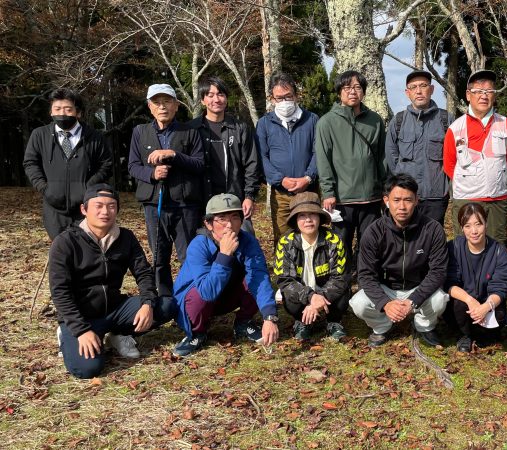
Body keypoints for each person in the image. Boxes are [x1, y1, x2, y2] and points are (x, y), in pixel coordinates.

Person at [49, 184, 176, 379]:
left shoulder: (125, 237)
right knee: (87, 369)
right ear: (84, 209)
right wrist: (81, 330)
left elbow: (143, 273)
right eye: (98, 206)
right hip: (82, 317)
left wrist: (147, 303)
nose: (105, 212)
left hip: (114, 309)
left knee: (167, 305)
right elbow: (60, 291)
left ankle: (118, 336)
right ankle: (67, 336)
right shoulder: (66, 242)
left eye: (111, 206)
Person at [172, 194, 278, 356]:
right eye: (221, 219)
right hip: (196, 301)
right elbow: (207, 292)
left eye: (235, 217)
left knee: (253, 280)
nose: (229, 225)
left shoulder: (248, 241)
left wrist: (269, 317)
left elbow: (259, 277)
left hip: (226, 294)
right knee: (198, 296)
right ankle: (197, 333)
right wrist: (224, 255)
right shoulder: (198, 245)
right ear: (208, 224)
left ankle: (243, 322)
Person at [350, 174, 449, 347]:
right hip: (387, 288)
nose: (402, 206)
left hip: (419, 287)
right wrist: (385, 303)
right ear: (386, 200)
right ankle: (382, 326)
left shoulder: (432, 229)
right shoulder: (373, 232)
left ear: (417, 200)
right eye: (396, 200)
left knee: (440, 299)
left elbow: (438, 272)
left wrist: (413, 301)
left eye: (408, 200)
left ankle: (424, 325)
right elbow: (365, 275)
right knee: (358, 303)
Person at [128, 84, 204, 297]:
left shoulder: (190, 131)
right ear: (149, 106)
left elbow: (199, 164)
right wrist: (152, 174)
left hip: (185, 204)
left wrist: (174, 155)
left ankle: (189, 296)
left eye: (167, 101)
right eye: (157, 102)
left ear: (176, 106)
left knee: (188, 255)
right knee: (159, 254)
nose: (162, 107)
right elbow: (133, 166)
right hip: (154, 203)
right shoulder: (140, 132)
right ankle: (164, 299)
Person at [23, 89, 113, 239]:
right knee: (60, 251)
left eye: (68, 109)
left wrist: (88, 188)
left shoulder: (94, 136)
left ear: (78, 112)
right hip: (53, 207)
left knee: (86, 250)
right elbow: (30, 163)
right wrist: (44, 188)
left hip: (85, 207)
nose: (62, 113)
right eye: (57, 109)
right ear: (51, 112)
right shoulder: (39, 135)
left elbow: (106, 164)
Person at [316, 70, 386, 258]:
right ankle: (341, 284)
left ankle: (367, 282)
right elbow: (323, 160)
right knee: (340, 244)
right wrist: (328, 192)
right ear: (339, 92)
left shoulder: (375, 120)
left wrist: (386, 189)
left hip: (371, 197)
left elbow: (382, 158)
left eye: (357, 87)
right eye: (347, 87)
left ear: (363, 91)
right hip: (342, 198)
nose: (352, 92)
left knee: (370, 243)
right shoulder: (327, 122)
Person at [443, 69, 507, 246]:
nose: (484, 96)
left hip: (497, 199)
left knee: (497, 248)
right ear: (468, 95)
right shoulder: (455, 128)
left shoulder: (505, 124)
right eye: (478, 92)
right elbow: (450, 165)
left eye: (489, 91)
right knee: (465, 248)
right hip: (466, 198)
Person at [189, 77, 260, 234]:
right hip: (201, 202)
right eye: (210, 94)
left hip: (234, 200)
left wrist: (249, 196)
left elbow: (251, 164)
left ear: (226, 98)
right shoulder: (191, 129)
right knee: (206, 246)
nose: (216, 99)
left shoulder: (240, 128)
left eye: (220, 94)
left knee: (244, 243)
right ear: (202, 100)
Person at [275, 192, 349, 342]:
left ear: (320, 218)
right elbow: (285, 280)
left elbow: (340, 278)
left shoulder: (334, 240)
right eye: (302, 215)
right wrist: (310, 296)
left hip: (327, 294)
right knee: (289, 298)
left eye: (313, 214)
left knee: (342, 295)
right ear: (295, 219)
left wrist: (318, 300)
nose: (308, 220)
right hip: (302, 293)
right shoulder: (285, 242)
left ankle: (333, 322)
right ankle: (301, 321)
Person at [257, 72, 319, 248]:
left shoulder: (312, 119)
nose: (284, 102)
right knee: (283, 238)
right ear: (272, 98)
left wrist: (308, 177)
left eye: (288, 96)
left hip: (309, 190)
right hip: (281, 193)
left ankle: (312, 274)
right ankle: (285, 275)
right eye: (279, 98)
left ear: (296, 95)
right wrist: (280, 179)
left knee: (311, 236)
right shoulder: (264, 123)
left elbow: (319, 152)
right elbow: (262, 157)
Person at [444, 203, 507, 352]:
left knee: (500, 313)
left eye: (478, 224)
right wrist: (470, 300)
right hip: (464, 305)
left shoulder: (498, 251)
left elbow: (501, 287)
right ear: (462, 228)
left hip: (488, 305)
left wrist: (486, 306)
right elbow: (449, 283)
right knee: (458, 305)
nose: (474, 231)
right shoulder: (454, 248)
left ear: (486, 224)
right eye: (468, 226)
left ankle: (486, 335)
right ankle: (465, 335)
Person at [385, 70, 453, 225]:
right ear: (407, 92)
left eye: (423, 85)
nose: (419, 90)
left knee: (432, 239)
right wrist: (403, 183)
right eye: (413, 87)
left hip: (436, 196)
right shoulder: (399, 121)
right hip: (406, 196)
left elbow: (453, 156)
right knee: (406, 240)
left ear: (432, 89)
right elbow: (392, 156)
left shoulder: (446, 120)